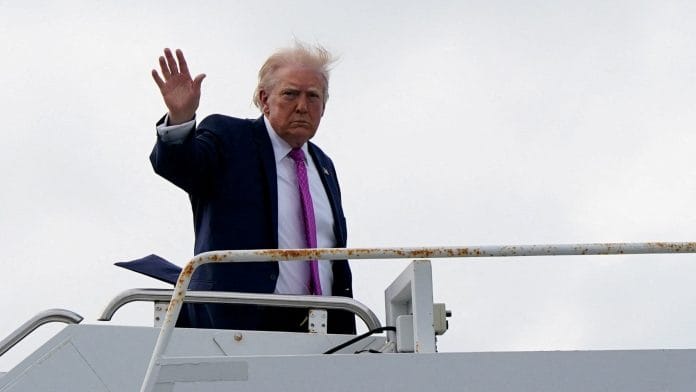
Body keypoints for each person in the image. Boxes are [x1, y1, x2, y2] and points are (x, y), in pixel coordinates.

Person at [149, 43, 355, 334]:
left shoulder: (323, 165)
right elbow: (179, 165)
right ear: (264, 99)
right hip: (241, 324)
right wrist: (181, 119)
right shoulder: (230, 138)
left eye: (313, 97)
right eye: (290, 94)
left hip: (321, 327)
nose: (302, 106)